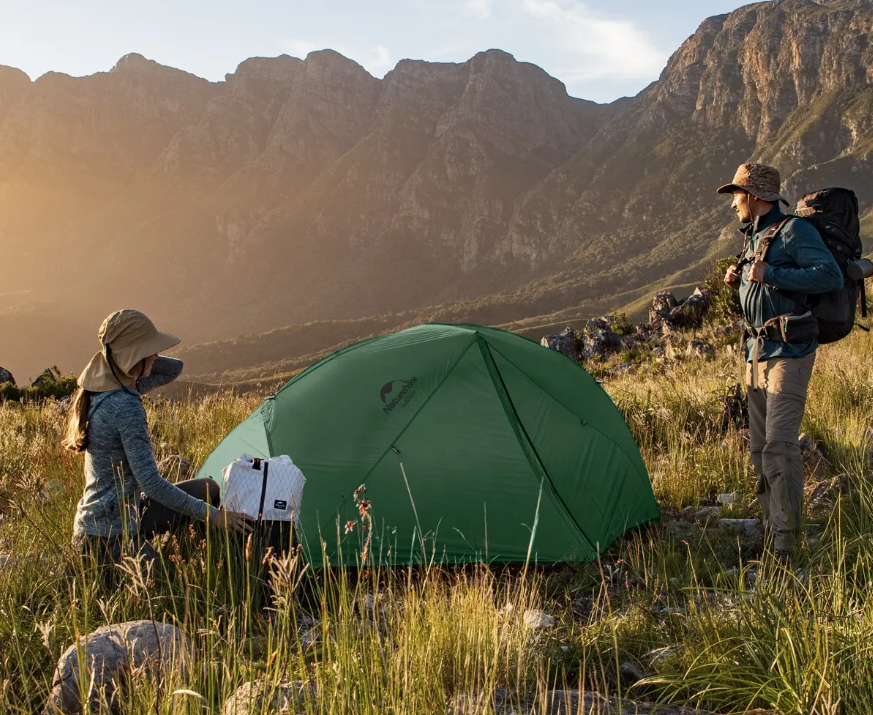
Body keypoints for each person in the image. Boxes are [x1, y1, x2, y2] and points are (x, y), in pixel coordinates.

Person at [718, 163, 843, 560]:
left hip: (789, 353)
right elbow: (761, 291)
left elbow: (830, 276)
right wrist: (739, 280)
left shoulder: (794, 232)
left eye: (737, 194)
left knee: (779, 447)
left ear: (754, 196)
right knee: (759, 449)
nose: (733, 202)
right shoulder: (754, 237)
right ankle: (773, 532)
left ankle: (788, 545)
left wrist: (770, 272)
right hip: (756, 355)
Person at [64, 309, 253, 565]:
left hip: (128, 511)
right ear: (132, 357)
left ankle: (183, 551)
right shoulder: (123, 405)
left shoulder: (120, 384)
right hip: (107, 535)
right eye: (148, 351)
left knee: (207, 488)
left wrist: (129, 357)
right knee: (169, 588)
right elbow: (151, 483)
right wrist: (214, 516)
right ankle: (174, 561)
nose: (155, 355)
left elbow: (174, 369)